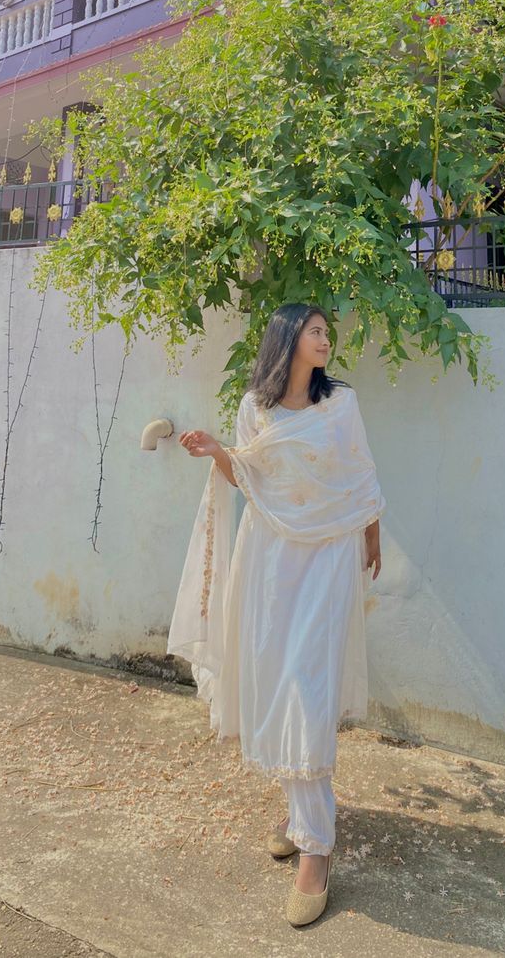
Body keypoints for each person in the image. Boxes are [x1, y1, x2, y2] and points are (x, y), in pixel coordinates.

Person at [167, 303, 386, 926]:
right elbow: (251, 476)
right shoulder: (255, 408)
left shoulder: (340, 404)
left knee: (306, 688)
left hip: (328, 558)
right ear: (288, 340)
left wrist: (371, 536)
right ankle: (303, 816)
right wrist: (216, 451)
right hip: (271, 561)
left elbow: (359, 474)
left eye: (326, 332)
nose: (326, 339)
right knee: (276, 684)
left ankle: (317, 851)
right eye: (315, 331)